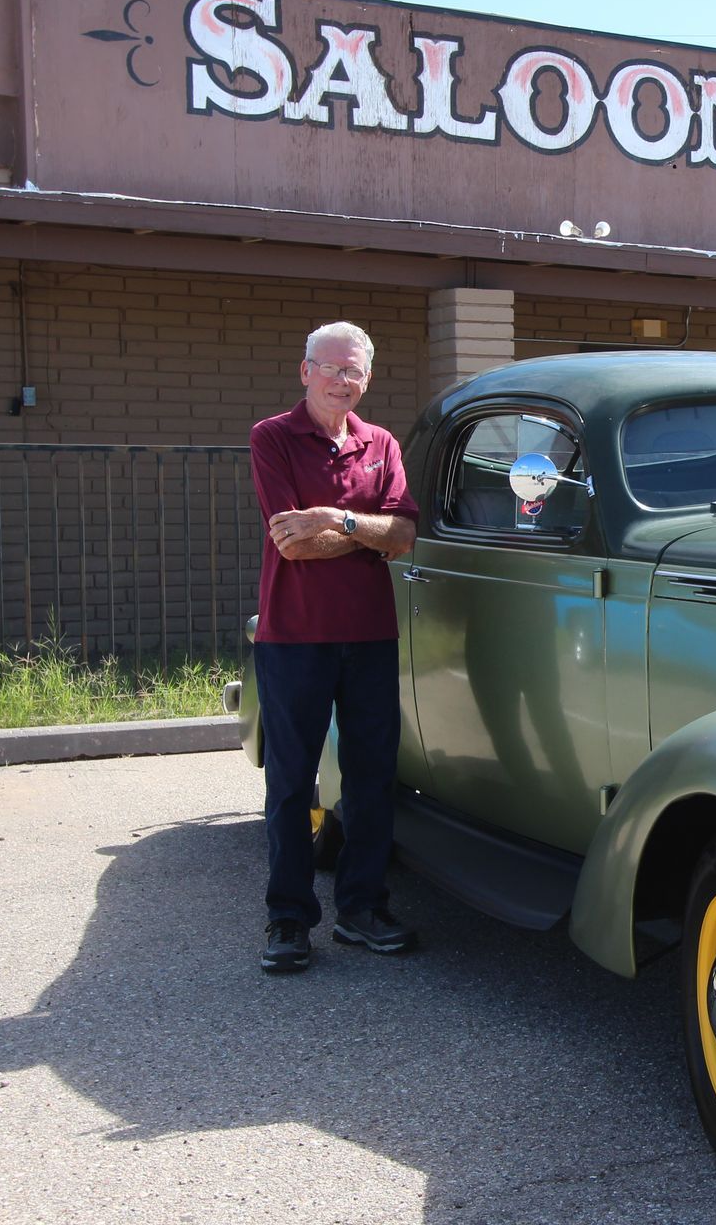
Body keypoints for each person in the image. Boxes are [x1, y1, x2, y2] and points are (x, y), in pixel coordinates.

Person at [249, 320, 419, 973]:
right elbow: (291, 543)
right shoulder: (273, 438)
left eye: (354, 371)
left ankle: (362, 910)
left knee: (373, 778)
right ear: (305, 371)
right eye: (331, 368)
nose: (341, 380)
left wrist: (335, 518)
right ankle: (288, 920)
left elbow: (404, 535)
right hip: (294, 640)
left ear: (367, 379)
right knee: (293, 784)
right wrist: (365, 534)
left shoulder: (381, 444)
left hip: (371, 636)